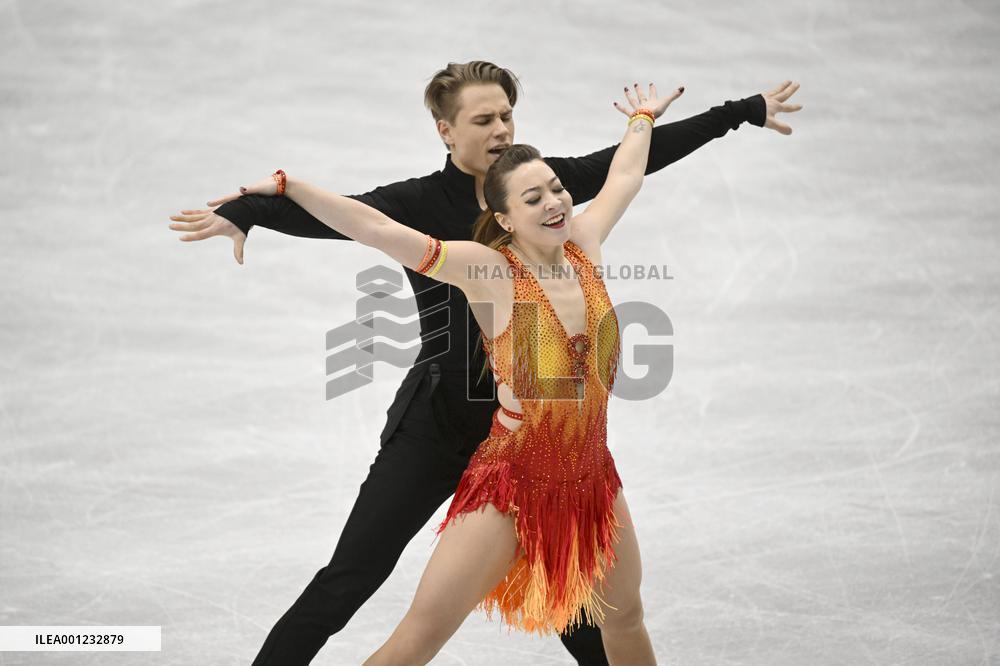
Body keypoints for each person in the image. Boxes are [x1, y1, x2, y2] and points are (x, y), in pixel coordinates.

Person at [169, 62, 801, 665]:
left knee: (604, 615)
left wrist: (689, 116)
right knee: (360, 584)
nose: (502, 131)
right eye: (483, 120)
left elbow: (627, 169)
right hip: (455, 432)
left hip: (575, 461)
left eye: (507, 117)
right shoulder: (469, 250)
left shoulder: (565, 221)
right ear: (447, 133)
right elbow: (364, 224)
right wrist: (263, 201)